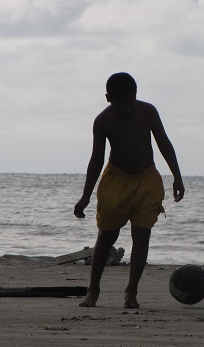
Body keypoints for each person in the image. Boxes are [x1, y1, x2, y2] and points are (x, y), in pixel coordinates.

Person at [74, 72, 185, 308]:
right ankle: (93, 291)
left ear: (136, 96)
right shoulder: (103, 121)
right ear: (108, 98)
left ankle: (131, 293)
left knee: (142, 234)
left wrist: (177, 176)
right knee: (107, 235)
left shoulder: (147, 112)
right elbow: (96, 159)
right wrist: (85, 196)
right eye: (120, 105)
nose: (126, 109)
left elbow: (164, 142)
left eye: (130, 103)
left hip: (147, 179)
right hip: (116, 181)